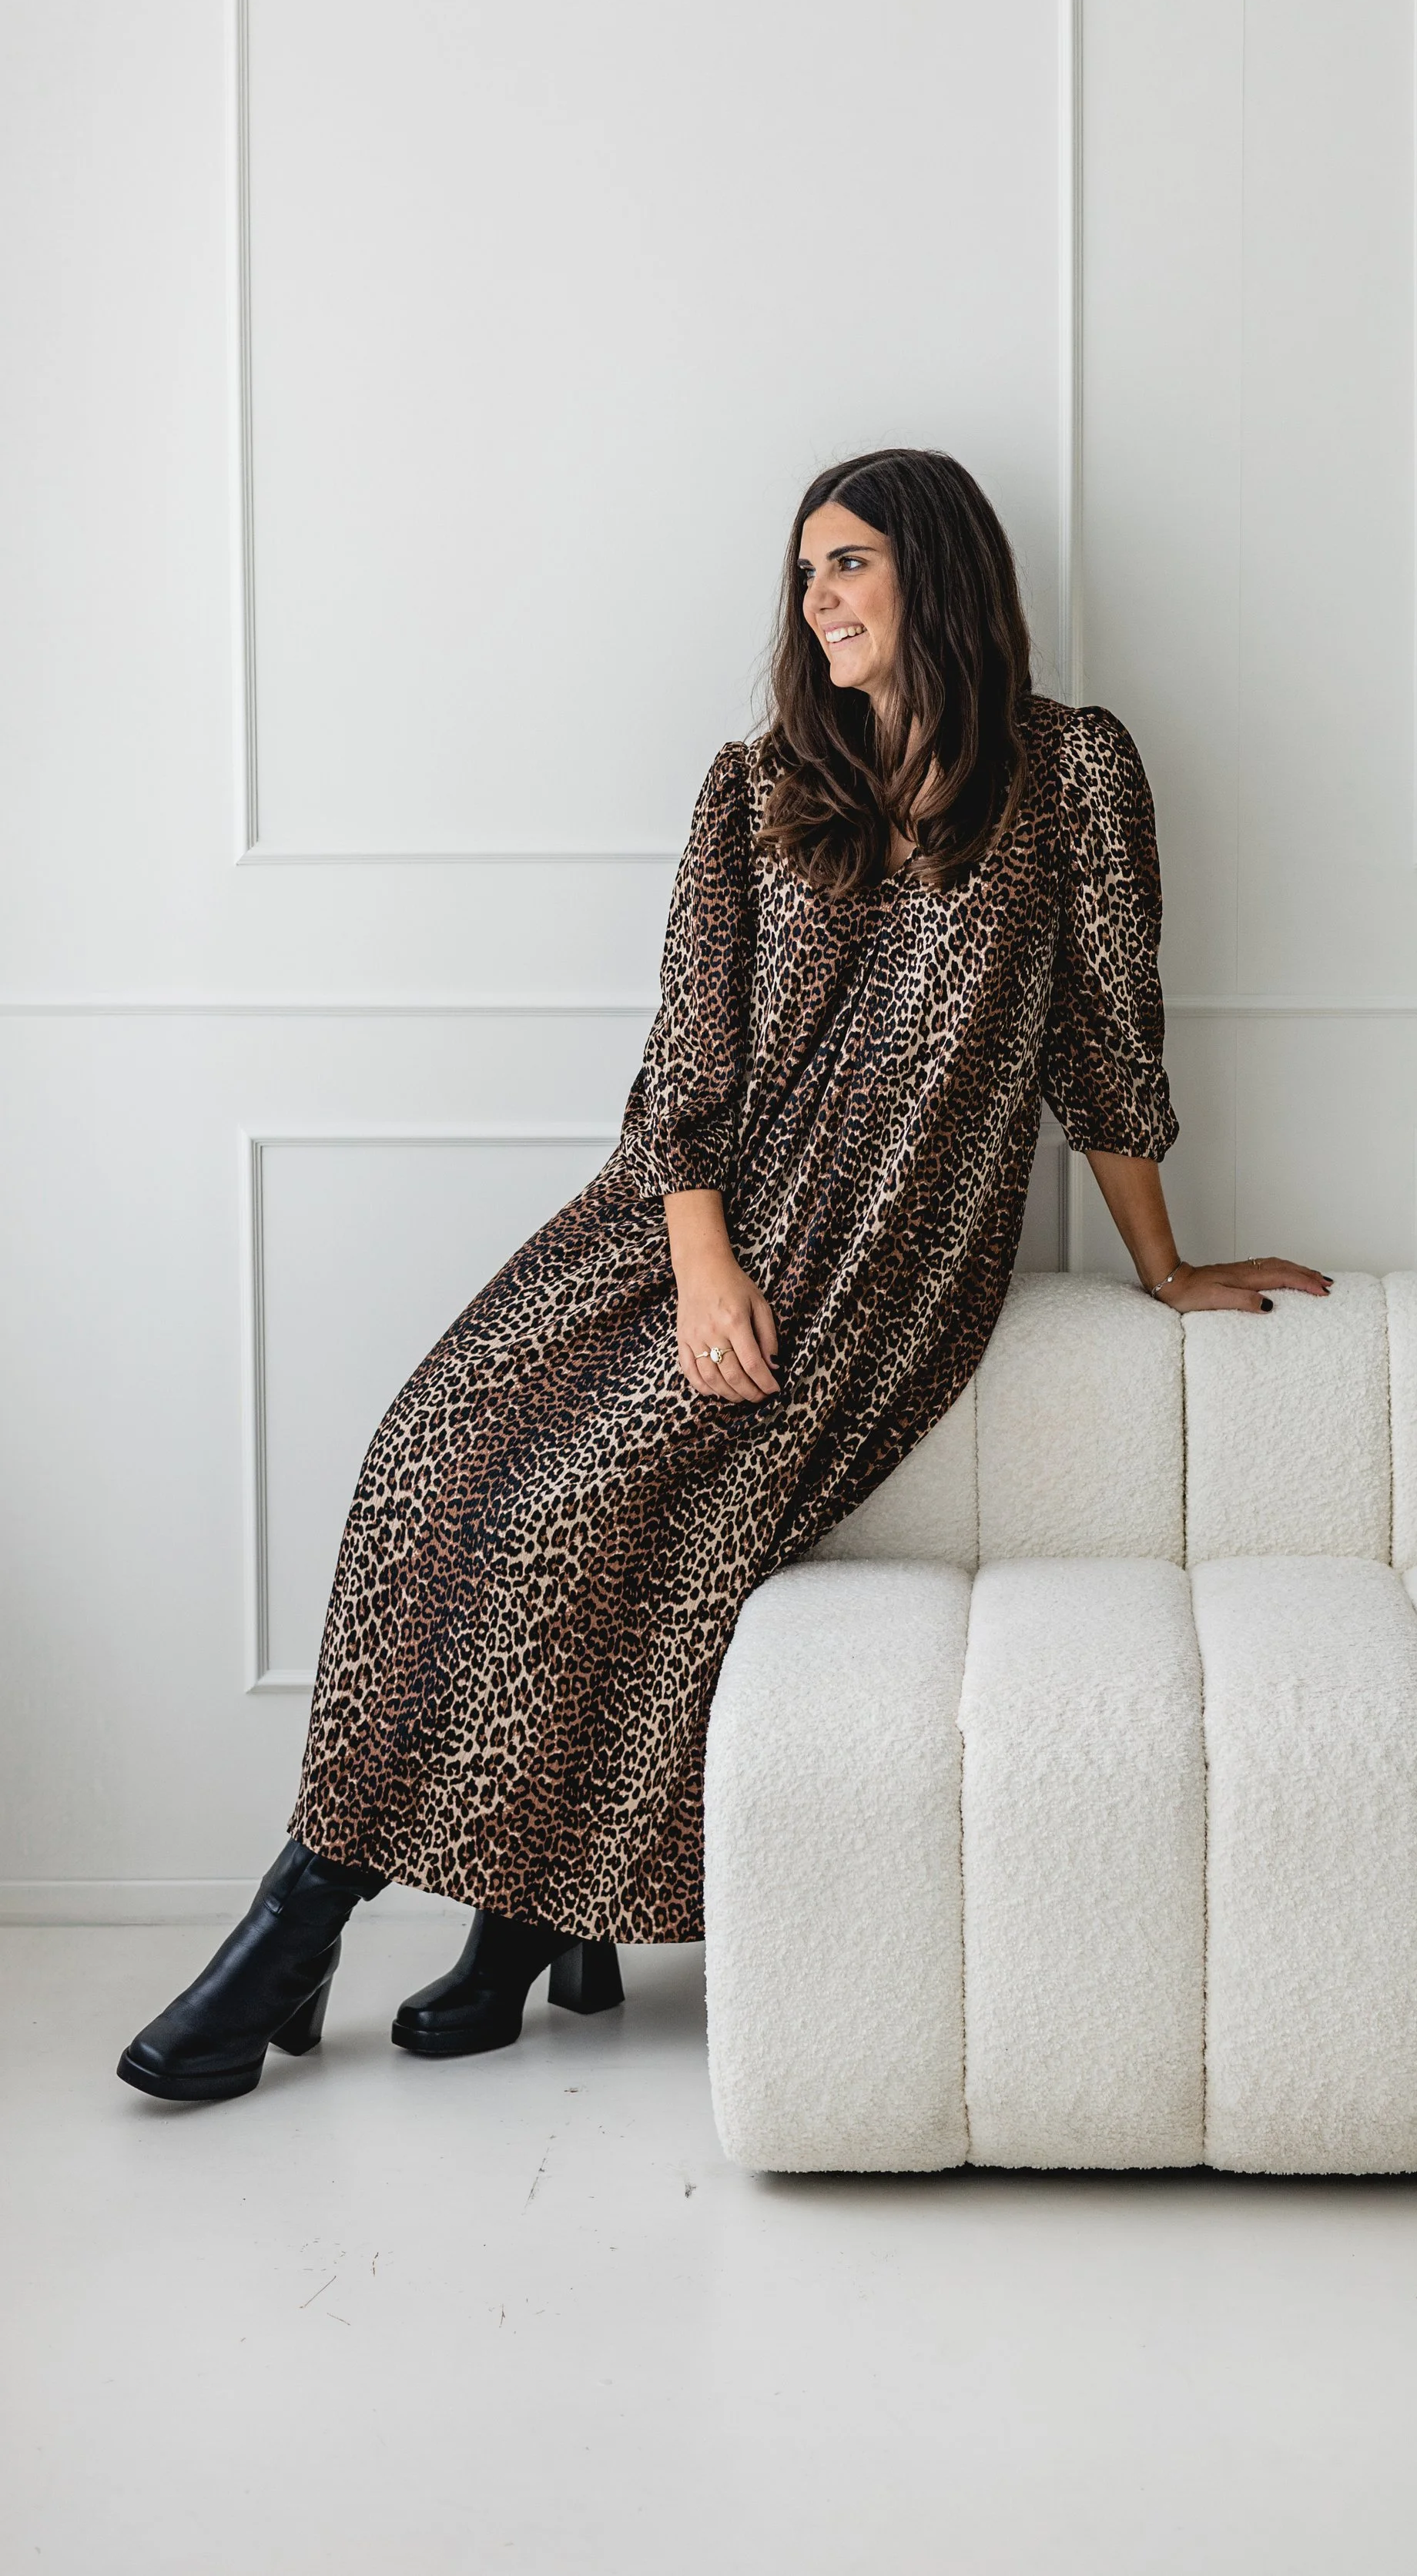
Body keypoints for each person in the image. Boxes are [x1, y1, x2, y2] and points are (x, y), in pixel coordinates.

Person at [118, 447, 1332, 2104]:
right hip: (681, 1221)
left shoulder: (1071, 771)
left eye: (850, 562)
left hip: (881, 1256)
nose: (817, 598)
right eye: (805, 571)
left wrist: (1165, 1260)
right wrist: (698, 1264)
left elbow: (1104, 1039)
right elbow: (687, 1057)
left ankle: (308, 1920)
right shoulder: (756, 786)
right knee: (429, 1461)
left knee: (595, 1504)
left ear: (938, 573)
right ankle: (495, 1919)